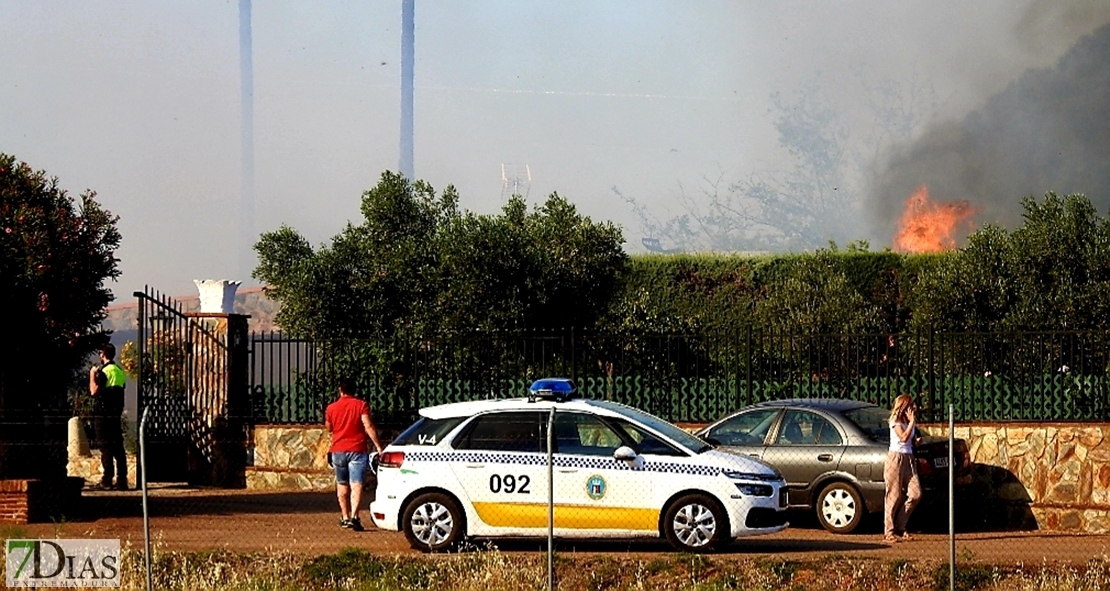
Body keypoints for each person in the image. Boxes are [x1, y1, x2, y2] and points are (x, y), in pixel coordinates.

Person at [325, 378, 384, 531]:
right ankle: (355, 516)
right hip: (357, 449)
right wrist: (378, 446)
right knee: (356, 484)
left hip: (338, 449)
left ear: (340, 390)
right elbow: (368, 425)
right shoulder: (361, 405)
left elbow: (329, 428)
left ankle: (344, 516)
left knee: (342, 483)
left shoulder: (331, 408)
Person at [89, 343, 128, 491]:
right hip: (115, 413)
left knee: (104, 446)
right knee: (118, 447)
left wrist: (92, 375)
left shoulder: (104, 372)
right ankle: (122, 480)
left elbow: (94, 391)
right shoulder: (119, 371)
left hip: (103, 414)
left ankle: (107, 480)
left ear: (103, 354)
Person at [884, 393, 922, 543]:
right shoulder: (895, 421)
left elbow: (910, 440)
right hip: (896, 458)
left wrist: (917, 440)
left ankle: (901, 524)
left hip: (909, 458)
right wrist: (912, 423)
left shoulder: (908, 421)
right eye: (910, 405)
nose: (913, 407)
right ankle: (889, 531)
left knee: (916, 493)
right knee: (893, 495)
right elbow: (903, 437)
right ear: (903, 406)